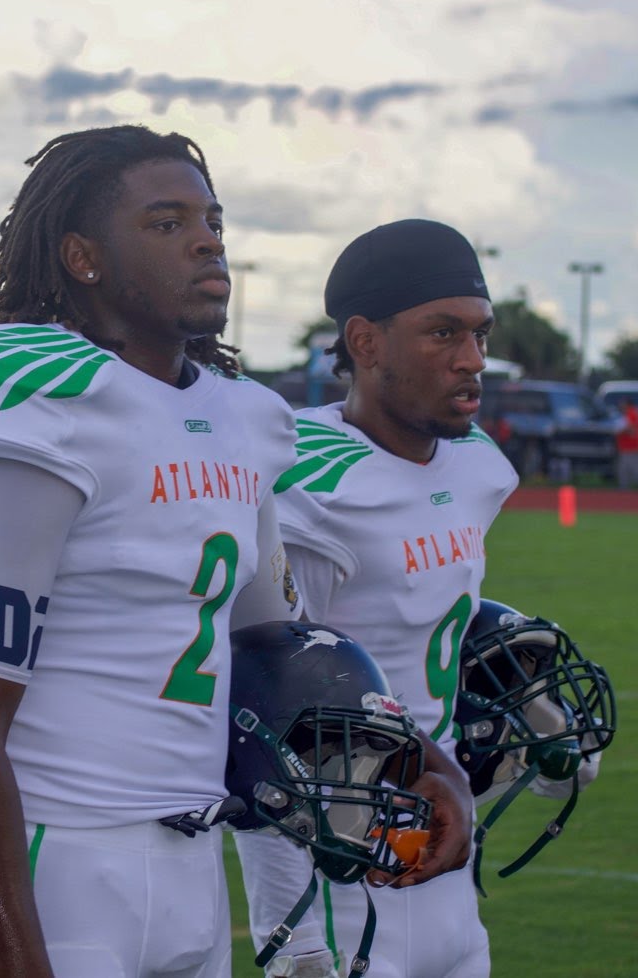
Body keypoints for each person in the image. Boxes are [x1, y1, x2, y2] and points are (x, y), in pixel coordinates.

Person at [0, 124, 303, 978]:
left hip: (195, 860)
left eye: (212, 220)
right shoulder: (41, 396)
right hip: (51, 859)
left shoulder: (249, 418)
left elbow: (275, 651)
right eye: (165, 223)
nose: (205, 240)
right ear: (82, 257)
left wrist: (420, 765)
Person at [235, 219, 515, 978]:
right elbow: (269, 715)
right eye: (443, 333)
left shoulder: (480, 466)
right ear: (364, 341)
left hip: (449, 842)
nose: (471, 360)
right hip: (346, 867)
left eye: (480, 334)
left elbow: (427, 613)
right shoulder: (307, 484)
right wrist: (292, 938)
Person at [615, 398, 638, 489]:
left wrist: (618, 431)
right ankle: (624, 487)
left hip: (632, 447)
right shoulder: (627, 414)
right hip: (627, 446)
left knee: (636, 468)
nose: (620, 405)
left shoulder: (632, 413)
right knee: (624, 469)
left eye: (622, 403)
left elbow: (631, 430)